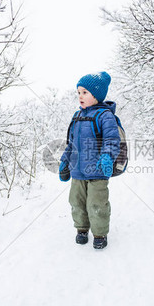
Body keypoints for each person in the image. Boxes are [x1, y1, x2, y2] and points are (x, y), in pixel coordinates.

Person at [59, 71, 120, 249]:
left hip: (98, 170)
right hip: (78, 171)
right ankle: (82, 229)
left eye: (85, 92)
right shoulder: (77, 116)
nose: (80, 96)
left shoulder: (104, 116)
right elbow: (70, 144)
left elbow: (111, 140)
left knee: (97, 203)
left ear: (97, 95)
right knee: (76, 202)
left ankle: (100, 233)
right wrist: (65, 162)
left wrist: (107, 157)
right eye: (78, 92)